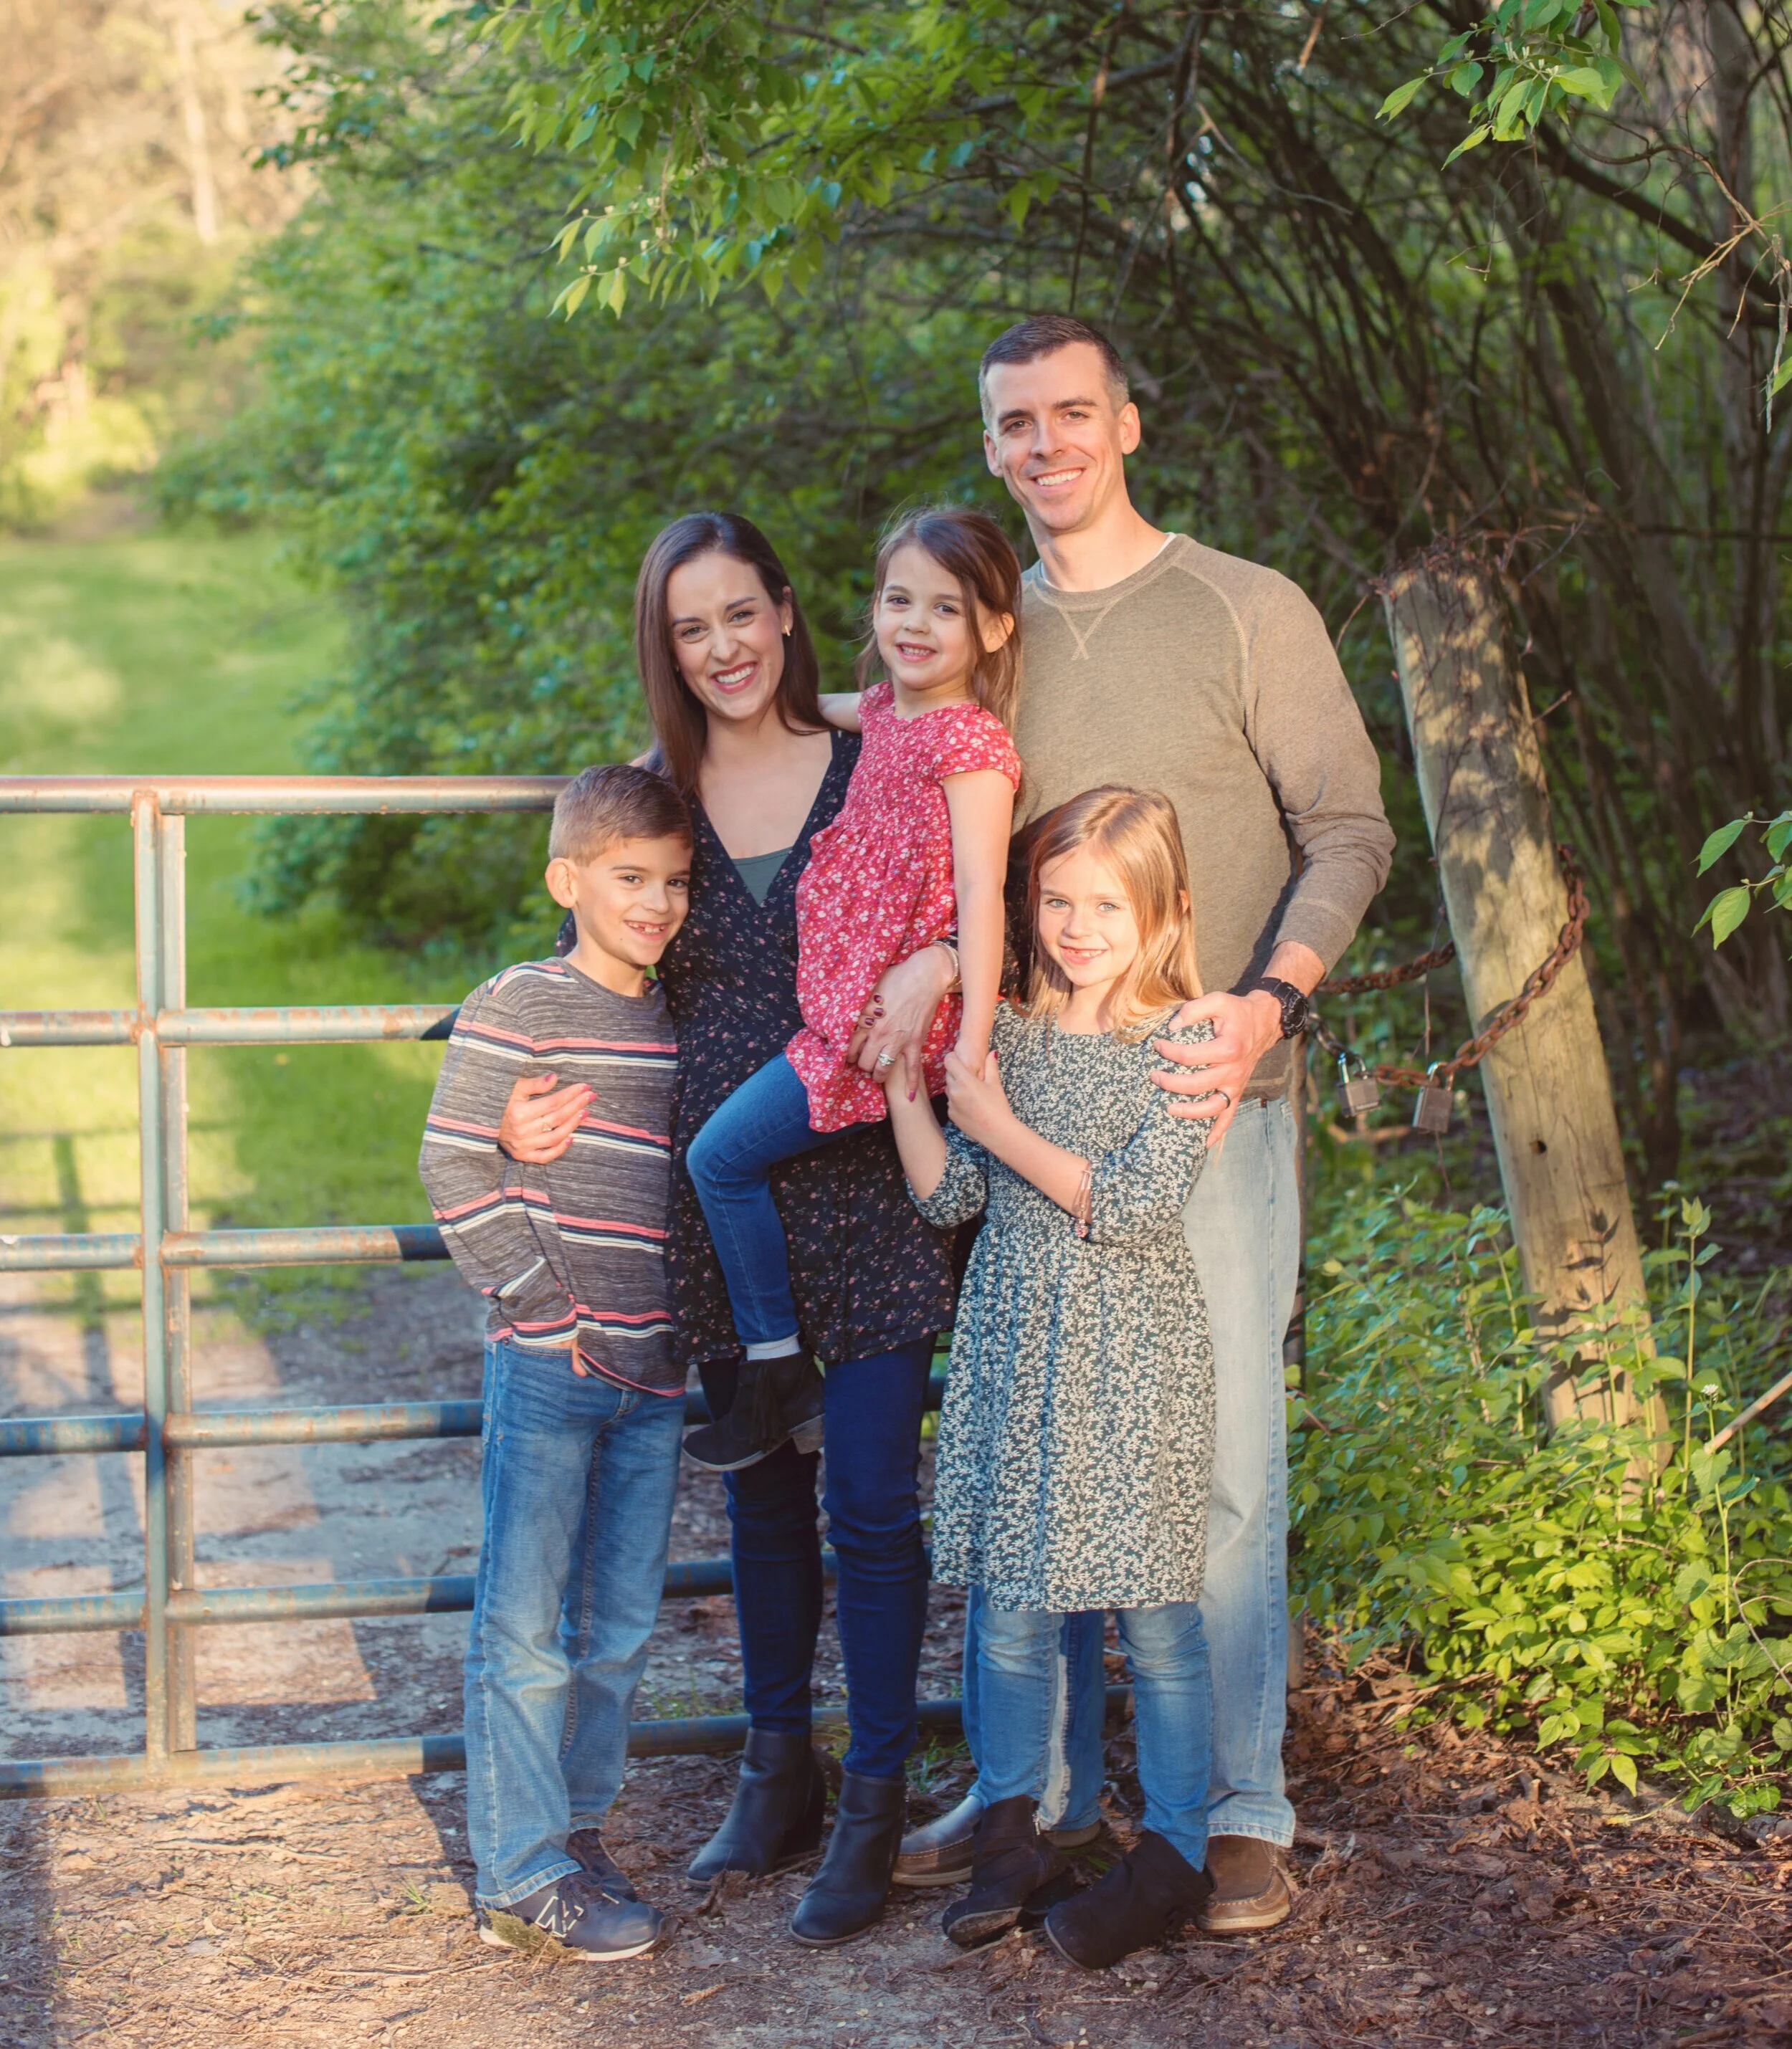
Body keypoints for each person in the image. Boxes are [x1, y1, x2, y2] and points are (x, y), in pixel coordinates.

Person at [884, 315, 1396, 1932]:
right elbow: (896, 737)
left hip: (1203, 1101)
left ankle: (1234, 1808)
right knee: (1037, 1444)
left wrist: (1264, 1001)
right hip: (1029, 1097)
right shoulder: (991, 627)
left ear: (1126, 421)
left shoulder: (1244, 609)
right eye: (1013, 423)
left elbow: (1350, 831)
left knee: (1220, 1454)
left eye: (1071, 414)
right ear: (988, 447)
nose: (1045, 445)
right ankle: (1026, 1794)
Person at [494, 512, 960, 1948]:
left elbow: (971, 894)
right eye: (692, 629)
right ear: (666, 647)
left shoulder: (871, 760)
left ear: (784, 608)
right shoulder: (652, 802)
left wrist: (941, 955)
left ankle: (875, 1798)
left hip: (870, 1175)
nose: (724, 649)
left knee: (872, 1502)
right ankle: (780, 1774)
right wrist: (518, 1096)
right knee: (760, 1496)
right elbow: (595, 949)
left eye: (741, 615)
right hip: (724, 1200)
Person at [886, 788, 1220, 1967]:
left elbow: (1130, 1208)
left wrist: (1000, 1119)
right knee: (1012, 1612)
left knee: (1157, 1623)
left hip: (1132, 1362)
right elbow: (952, 1196)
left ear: (1165, 912)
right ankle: (1016, 1831)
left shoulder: (1186, 1042)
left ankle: (1178, 1847)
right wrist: (908, 1087)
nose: (1079, 927)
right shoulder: (1012, 1036)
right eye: (1057, 900)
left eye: (1108, 906)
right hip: (1017, 1346)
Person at [679, 505, 1021, 1475]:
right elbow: (796, 712)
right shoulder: (882, 713)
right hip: (843, 1014)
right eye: (896, 598)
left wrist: (970, 1044)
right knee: (728, 1161)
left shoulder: (972, 747)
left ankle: (780, 1366)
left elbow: (984, 902)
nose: (912, 623)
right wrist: (661, 759)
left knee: (719, 1158)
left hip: (887, 1029)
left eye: (944, 608)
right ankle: (784, 1366)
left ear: (994, 628)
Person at [418, 764, 692, 1962]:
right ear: (566, 881)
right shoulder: (519, 1002)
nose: (658, 901)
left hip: (657, 1370)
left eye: (676, 881)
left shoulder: (682, 1020)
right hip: (553, 1358)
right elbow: (449, 1166)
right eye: (631, 878)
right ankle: (520, 1870)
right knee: (525, 1622)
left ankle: (575, 1832)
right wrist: (540, 1308)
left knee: (624, 1621)